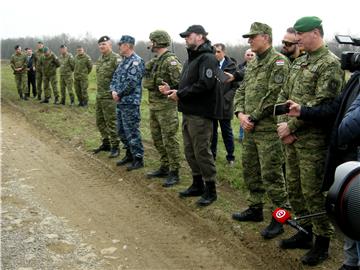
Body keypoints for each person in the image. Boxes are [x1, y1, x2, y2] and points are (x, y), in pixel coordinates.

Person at [276, 16, 344, 266]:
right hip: (291, 137)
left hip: (312, 141)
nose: (297, 40)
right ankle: (304, 232)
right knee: (294, 189)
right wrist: (282, 126)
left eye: (301, 35)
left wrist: (290, 127)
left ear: (315, 33)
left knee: (313, 192)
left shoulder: (330, 64)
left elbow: (323, 104)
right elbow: (286, 96)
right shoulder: (300, 60)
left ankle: (322, 242)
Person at [285, 71, 359, 269]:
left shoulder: (328, 65)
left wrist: (341, 132)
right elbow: (337, 106)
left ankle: (330, 247)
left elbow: (350, 124)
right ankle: (351, 263)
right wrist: (303, 111)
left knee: (354, 209)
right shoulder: (356, 77)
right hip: (348, 153)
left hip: (348, 149)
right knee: (351, 208)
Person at [232, 22, 289, 240]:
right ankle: (255, 208)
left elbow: (275, 95)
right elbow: (242, 90)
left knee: (273, 176)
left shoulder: (279, 62)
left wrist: (252, 117)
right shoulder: (254, 63)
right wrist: (240, 114)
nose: (249, 41)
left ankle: (280, 218)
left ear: (265, 37)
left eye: (252, 37)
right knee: (251, 171)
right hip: (250, 129)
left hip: (268, 131)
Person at [163, 25, 218, 206]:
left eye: (189, 35)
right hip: (188, 112)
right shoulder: (190, 59)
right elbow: (187, 85)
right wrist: (175, 90)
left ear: (200, 36)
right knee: (189, 150)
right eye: (185, 36)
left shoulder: (208, 58)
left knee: (201, 151)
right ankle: (197, 184)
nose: (186, 38)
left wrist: (181, 94)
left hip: (201, 114)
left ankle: (210, 189)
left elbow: (206, 84)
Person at [143, 30, 182, 186]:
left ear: (158, 42)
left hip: (166, 108)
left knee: (169, 139)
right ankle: (165, 166)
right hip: (154, 106)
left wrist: (169, 88)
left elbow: (181, 85)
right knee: (157, 138)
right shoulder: (157, 60)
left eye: (151, 41)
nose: (149, 44)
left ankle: (175, 171)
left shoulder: (171, 61)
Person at [110, 35, 145, 171]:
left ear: (128, 45)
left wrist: (119, 94)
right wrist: (113, 90)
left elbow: (131, 82)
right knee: (121, 130)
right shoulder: (123, 61)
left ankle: (138, 158)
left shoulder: (137, 61)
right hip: (120, 101)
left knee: (132, 131)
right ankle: (129, 154)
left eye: (121, 44)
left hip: (130, 102)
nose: (119, 46)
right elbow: (115, 77)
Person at [93, 36, 121, 158]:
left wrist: (116, 93)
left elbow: (120, 78)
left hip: (110, 97)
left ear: (110, 45)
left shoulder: (116, 58)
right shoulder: (100, 59)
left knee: (111, 122)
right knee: (100, 121)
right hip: (100, 96)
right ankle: (106, 143)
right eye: (100, 44)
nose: (101, 46)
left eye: (104, 44)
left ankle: (115, 146)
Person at [211, 43, 236, 165]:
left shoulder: (231, 66)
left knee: (227, 131)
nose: (216, 54)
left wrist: (227, 98)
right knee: (212, 132)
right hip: (212, 105)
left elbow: (236, 86)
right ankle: (212, 155)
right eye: (214, 52)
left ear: (224, 53)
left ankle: (230, 157)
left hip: (225, 105)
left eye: (218, 52)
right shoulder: (210, 66)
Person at [237, 49, 255, 142]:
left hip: (253, 97)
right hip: (242, 95)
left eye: (252, 55)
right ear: (245, 56)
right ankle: (241, 136)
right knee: (242, 115)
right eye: (248, 55)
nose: (250, 57)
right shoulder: (240, 67)